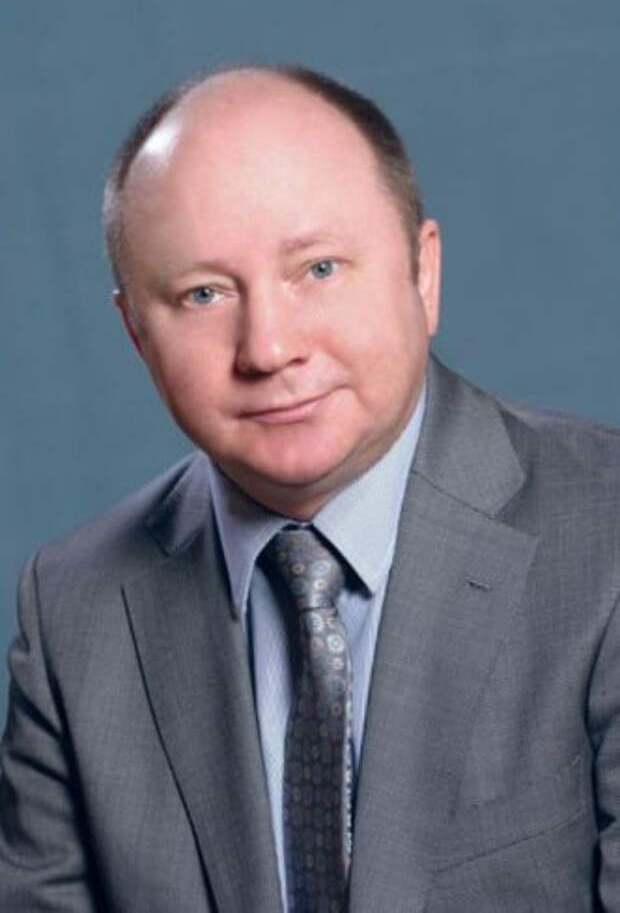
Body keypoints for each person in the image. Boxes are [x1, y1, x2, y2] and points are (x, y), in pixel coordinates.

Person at [1, 63, 619, 913]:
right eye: (204, 293)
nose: (269, 347)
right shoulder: (74, 608)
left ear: (422, 273)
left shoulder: (605, 536)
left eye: (319, 269)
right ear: (137, 334)